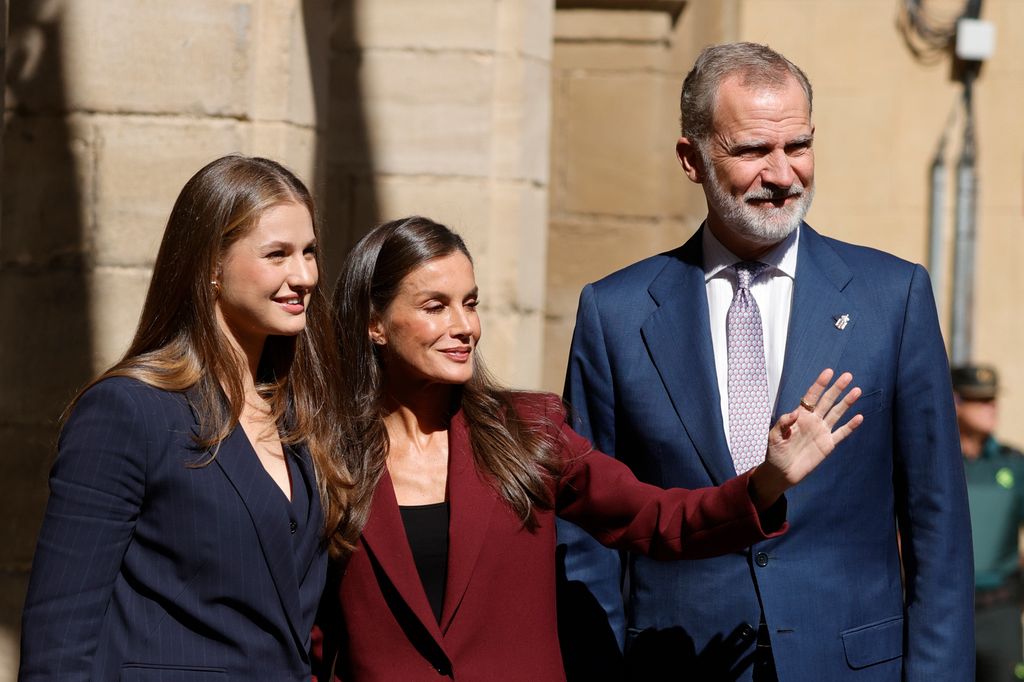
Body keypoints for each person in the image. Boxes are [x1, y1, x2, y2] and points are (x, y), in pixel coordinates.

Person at [557, 42, 973, 681]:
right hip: (676, 663)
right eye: (753, 150)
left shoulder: (892, 298)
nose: (782, 174)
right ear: (691, 159)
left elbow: (937, 525)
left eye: (798, 146)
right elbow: (587, 536)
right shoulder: (616, 313)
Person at [313, 215, 862, 681]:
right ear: (375, 324)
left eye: (470, 303)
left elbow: (655, 518)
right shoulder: (322, 459)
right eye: (435, 306)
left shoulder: (528, 431)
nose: (464, 326)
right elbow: (308, 630)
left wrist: (766, 482)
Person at [19, 155, 359, 681]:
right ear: (211, 267)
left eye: (309, 251)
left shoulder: (299, 416)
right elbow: (59, 638)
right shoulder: (128, 410)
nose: (305, 275)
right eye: (277, 254)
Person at [954, 364, 1024, 681]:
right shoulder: (934, 462)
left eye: (992, 398)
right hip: (946, 609)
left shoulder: (1013, 464)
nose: (991, 407)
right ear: (955, 401)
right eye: (980, 399)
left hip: (1000, 611)